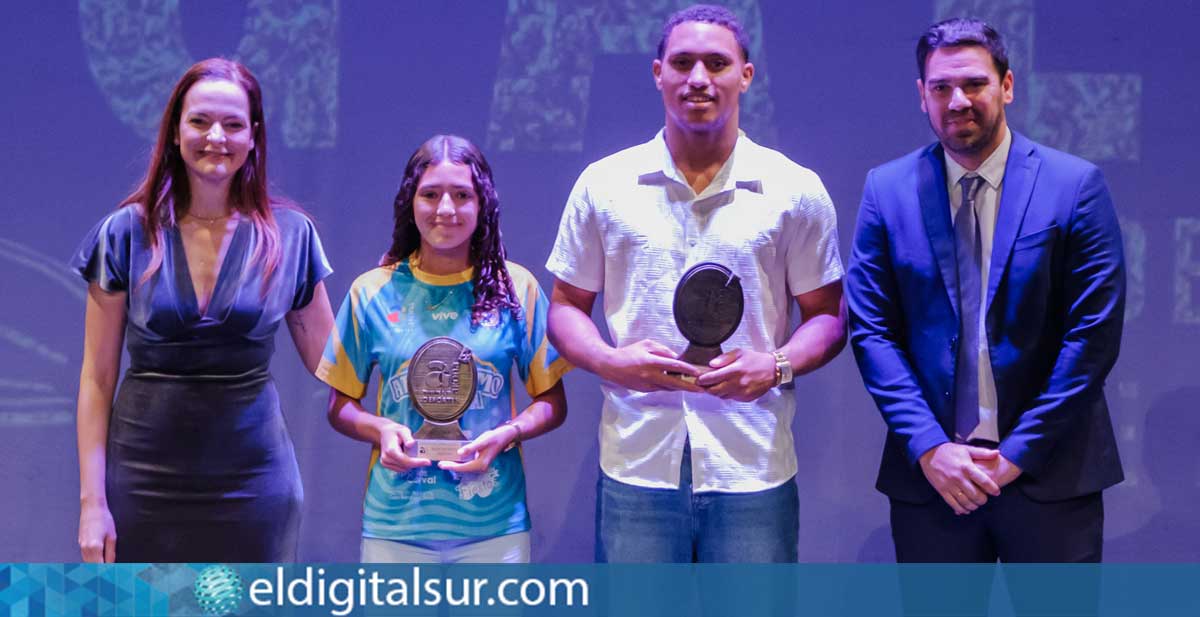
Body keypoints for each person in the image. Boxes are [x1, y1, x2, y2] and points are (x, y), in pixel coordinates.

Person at [545, 4, 846, 563]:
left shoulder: (794, 190)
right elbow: (564, 307)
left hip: (751, 463)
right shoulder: (605, 185)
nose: (699, 78)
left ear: (746, 76)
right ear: (658, 73)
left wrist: (776, 365)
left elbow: (828, 317)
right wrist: (609, 361)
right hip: (638, 460)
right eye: (682, 63)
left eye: (717, 63)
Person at [846, 17, 1125, 563]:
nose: (958, 101)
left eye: (974, 83)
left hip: (1050, 475)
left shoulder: (1075, 186)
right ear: (921, 95)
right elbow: (872, 331)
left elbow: (1092, 337)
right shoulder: (887, 189)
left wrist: (1016, 454)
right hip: (934, 481)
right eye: (941, 87)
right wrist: (929, 447)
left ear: (1007, 86)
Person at [73, 58, 334, 563]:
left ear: (253, 136)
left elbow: (334, 361)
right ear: (175, 131)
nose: (217, 136)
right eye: (200, 121)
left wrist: (402, 298)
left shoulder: (292, 236)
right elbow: (96, 379)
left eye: (234, 124)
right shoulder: (124, 233)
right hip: (143, 484)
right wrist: (92, 503)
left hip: (255, 486)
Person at [318, 134, 569, 564]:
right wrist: (380, 430)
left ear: (483, 203)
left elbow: (552, 403)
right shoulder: (371, 292)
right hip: (395, 527)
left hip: (494, 527)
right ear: (409, 203)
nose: (446, 209)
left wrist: (507, 434)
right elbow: (340, 406)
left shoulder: (517, 288)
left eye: (462, 195)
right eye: (430, 194)